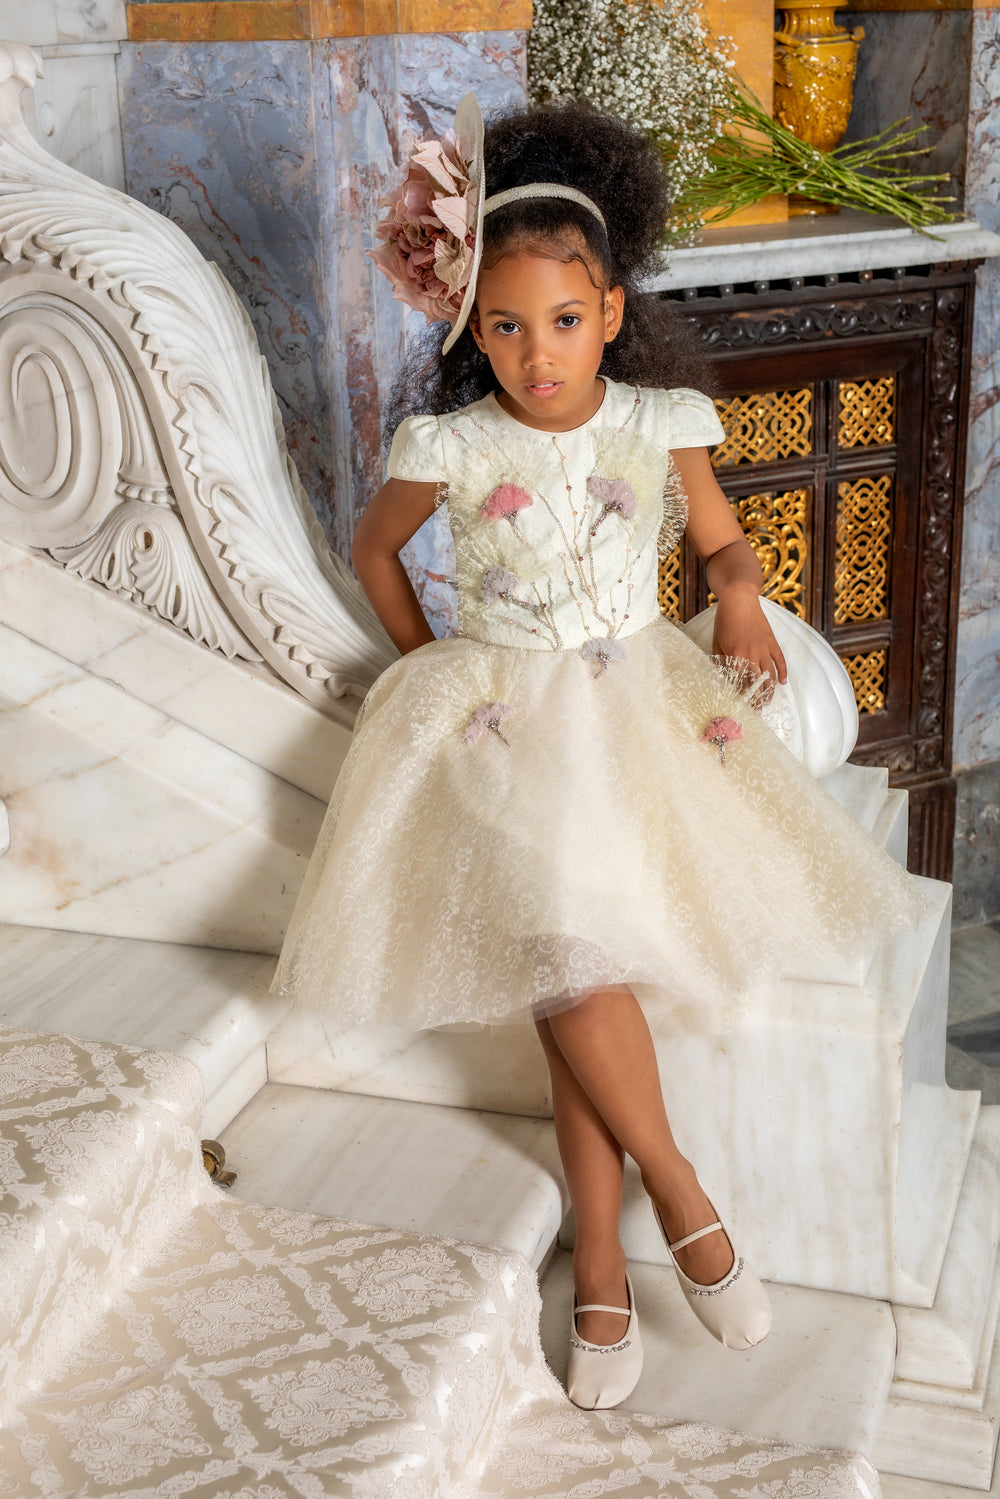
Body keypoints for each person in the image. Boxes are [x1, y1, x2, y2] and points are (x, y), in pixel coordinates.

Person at [273, 96, 927, 1411]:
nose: (537, 353)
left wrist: (739, 597)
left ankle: (607, 1270)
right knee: (570, 960)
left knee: (575, 970)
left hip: (639, 701)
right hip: (512, 717)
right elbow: (373, 551)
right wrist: (426, 667)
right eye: (505, 326)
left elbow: (721, 542)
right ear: (471, 326)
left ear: (612, 314)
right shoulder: (451, 445)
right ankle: (678, 1198)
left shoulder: (656, 421)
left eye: (563, 321)